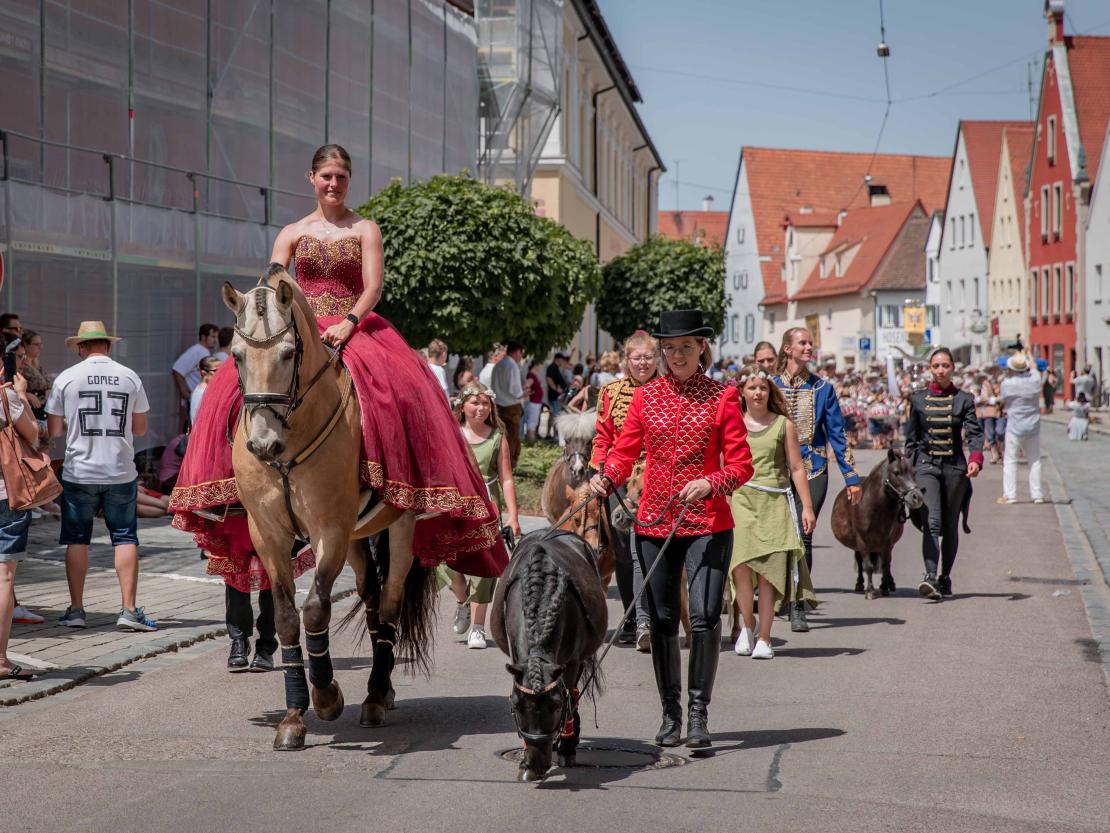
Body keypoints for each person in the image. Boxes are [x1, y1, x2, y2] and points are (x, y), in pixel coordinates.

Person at [170, 144, 507, 600]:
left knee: (401, 392)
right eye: (326, 176)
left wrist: (348, 324)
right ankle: (230, 491)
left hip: (356, 327)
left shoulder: (365, 227)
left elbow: (373, 286)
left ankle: (405, 489)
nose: (334, 184)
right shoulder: (291, 232)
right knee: (232, 390)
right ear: (311, 178)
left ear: (349, 181)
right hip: (302, 330)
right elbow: (273, 287)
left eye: (341, 177)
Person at [590, 309, 753, 750]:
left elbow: (741, 465)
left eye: (685, 347)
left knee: (702, 618)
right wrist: (607, 475)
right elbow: (624, 452)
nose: (676, 355)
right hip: (655, 521)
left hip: (708, 522)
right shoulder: (646, 398)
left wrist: (711, 482)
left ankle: (698, 715)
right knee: (662, 621)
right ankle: (670, 714)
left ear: (701, 347)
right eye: (669, 348)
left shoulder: (724, 397)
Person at [46, 321, 156, 632]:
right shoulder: (130, 376)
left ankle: (77, 610)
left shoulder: (66, 378)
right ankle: (129, 610)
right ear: (107, 346)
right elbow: (140, 429)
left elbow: (54, 431)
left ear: (80, 347)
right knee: (124, 536)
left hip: (79, 470)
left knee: (77, 538)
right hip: (120, 469)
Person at [772, 327, 861, 632]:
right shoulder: (769, 387)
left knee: (802, 534)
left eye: (811, 343)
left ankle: (799, 603)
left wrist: (851, 477)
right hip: (775, 469)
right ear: (787, 349)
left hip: (813, 468)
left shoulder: (823, 389)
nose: (809, 347)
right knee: (777, 537)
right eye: (803, 343)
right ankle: (780, 593)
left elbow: (837, 435)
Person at [729, 365, 816, 660]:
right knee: (740, 567)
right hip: (741, 501)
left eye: (763, 388)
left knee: (768, 573)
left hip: (775, 504)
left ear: (770, 392)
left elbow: (795, 468)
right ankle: (747, 625)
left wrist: (807, 506)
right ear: (742, 392)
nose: (758, 392)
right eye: (752, 387)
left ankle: (765, 637)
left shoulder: (783, 425)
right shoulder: (732, 423)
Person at [591, 330, 660, 651]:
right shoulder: (610, 393)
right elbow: (603, 439)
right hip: (619, 479)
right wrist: (600, 472)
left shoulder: (670, 390)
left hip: (659, 477)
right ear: (626, 361)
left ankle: (656, 614)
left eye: (648, 357)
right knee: (624, 551)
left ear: (656, 358)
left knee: (650, 549)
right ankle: (634, 617)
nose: (643, 363)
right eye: (637, 357)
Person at [441, 382, 521, 649]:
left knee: (485, 567)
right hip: (455, 505)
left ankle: (477, 628)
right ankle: (462, 598)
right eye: (475, 402)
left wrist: (513, 516)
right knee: (445, 562)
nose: (481, 408)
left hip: (488, 506)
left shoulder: (497, 437)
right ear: (462, 406)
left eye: (485, 403)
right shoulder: (451, 434)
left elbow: (506, 479)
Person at [904, 347, 983, 600]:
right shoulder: (917, 399)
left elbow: (974, 433)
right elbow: (911, 439)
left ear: (953, 368)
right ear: (930, 368)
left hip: (955, 468)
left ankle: (945, 576)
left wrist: (975, 459)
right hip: (927, 465)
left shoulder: (964, 399)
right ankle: (929, 576)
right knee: (932, 521)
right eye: (936, 366)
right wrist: (912, 465)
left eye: (945, 366)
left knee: (950, 526)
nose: (940, 370)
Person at [0, 369, 43, 679]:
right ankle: (1, 661)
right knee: (3, 579)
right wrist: (22, 396)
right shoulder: (6, 397)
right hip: (6, 494)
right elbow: (33, 435)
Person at [998, 353, 1044, 505]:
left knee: (1010, 460)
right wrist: (1029, 353)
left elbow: (1002, 400)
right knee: (1035, 460)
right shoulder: (1035, 380)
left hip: (1014, 426)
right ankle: (1037, 495)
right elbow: (1035, 367)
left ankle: (1010, 495)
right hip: (1033, 425)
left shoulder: (1007, 384)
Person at [491, 340, 526, 467]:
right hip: (511, 406)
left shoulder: (498, 364)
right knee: (512, 437)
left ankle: (498, 461)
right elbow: (515, 390)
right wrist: (525, 393)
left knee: (501, 436)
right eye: (521, 353)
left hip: (498, 405)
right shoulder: (512, 366)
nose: (522, 356)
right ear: (517, 352)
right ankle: (508, 464)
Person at [19, 330, 50, 421]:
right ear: (26, 346)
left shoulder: (38, 367)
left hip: (43, 413)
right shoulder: (20, 367)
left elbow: (47, 385)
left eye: (41, 344)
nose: (40, 347)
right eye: (36, 344)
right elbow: (10, 387)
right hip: (30, 415)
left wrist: (49, 390)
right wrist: (26, 394)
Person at [976, 373, 1004, 464]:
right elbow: (975, 398)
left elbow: (1002, 397)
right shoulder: (978, 388)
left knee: (1000, 432)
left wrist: (994, 399)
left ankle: (1000, 451)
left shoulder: (997, 385)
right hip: (985, 413)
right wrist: (980, 399)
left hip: (997, 412)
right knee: (990, 434)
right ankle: (995, 454)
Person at [189, 355, 222, 427]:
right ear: (204, 373)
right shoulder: (202, 392)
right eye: (216, 370)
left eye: (222, 370)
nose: (221, 374)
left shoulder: (207, 390)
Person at [524, 359, 544, 441]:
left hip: (536, 402)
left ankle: (531, 440)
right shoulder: (531, 375)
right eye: (539, 365)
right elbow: (526, 386)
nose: (540, 367)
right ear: (536, 365)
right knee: (532, 422)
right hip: (534, 402)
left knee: (533, 422)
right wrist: (529, 392)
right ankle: (531, 441)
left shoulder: (533, 375)